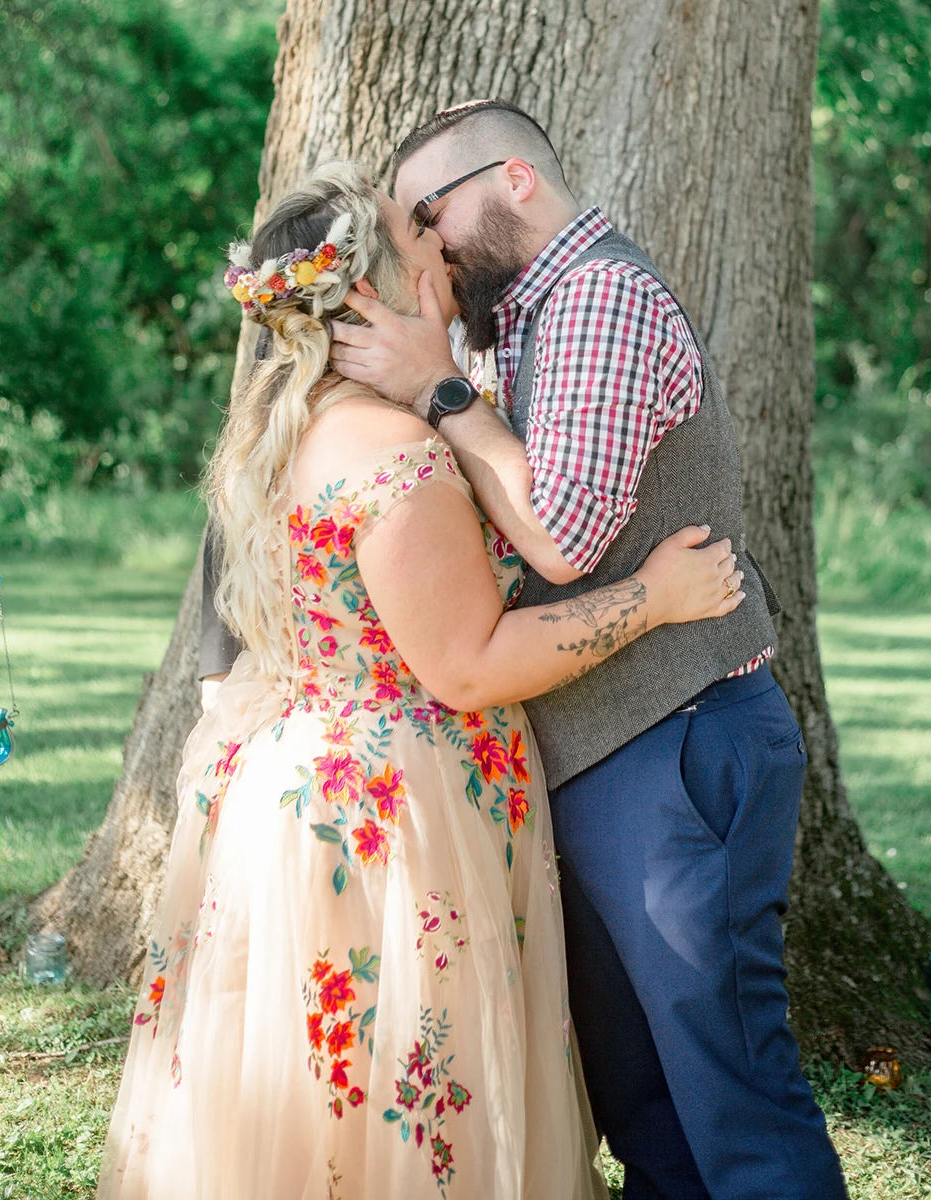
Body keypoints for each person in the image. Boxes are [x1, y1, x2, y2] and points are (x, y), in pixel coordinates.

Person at [97, 159, 747, 1200]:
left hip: (307, 781)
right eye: (416, 241)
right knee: (412, 1091)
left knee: (330, 1106)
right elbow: (469, 665)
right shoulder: (397, 455)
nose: (441, 248)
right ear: (370, 293)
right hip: (402, 813)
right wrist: (656, 600)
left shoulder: (281, 432)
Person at [326, 101, 849, 1200]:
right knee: (644, 1108)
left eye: (433, 213)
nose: (428, 244)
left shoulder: (601, 298)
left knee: (731, 1101)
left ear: (515, 181)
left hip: (680, 743)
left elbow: (559, 537)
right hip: (594, 754)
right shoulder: (523, 314)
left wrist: (439, 389)